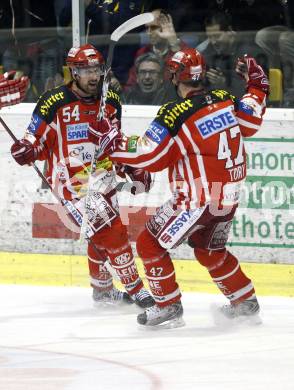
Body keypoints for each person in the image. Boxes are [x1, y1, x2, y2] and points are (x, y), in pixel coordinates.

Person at [89, 47, 269, 326]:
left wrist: (113, 143)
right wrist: (257, 85)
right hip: (228, 198)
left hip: (196, 199)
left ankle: (167, 304)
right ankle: (244, 301)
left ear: (174, 76)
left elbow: (151, 155)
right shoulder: (224, 99)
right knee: (210, 251)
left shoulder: (175, 114)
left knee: (150, 243)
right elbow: (252, 117)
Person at [9, 43, 154, 309]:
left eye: (96, 69)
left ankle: (102, 291)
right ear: (73, 72)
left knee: (99, 235)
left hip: (104, 180)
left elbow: (115, 142)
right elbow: (36, 142)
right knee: (113, 233)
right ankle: (137, 290)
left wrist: (131, 168)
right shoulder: (53, 101)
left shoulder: (110, 101)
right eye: (85, 70)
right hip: (71, 185)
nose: (93, 76)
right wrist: (27, 150)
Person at [197, 11, 268, 96]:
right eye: (209, 37)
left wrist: (224, 83)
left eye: (217, 36)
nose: (213, 41)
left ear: (230, 31)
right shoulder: (208, 51)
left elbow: (258, 89)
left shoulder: (251, 53)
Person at [125, 8, 188, 89]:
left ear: (165, 26)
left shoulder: (182, 49)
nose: (148, 32)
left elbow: (187, 78)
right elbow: (131, 84)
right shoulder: (142, 52)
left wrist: (173, 43)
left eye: (154, 27)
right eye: (147, 28)